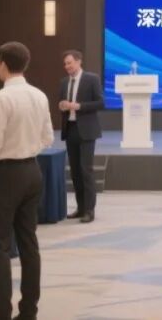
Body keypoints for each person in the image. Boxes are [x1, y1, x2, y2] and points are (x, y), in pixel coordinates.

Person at [0, 42, 53, 320]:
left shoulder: (0, 98)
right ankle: (29, 311)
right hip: (33, 170)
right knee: (28, 242)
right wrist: (26, 146)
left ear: (2, 64)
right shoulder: (39, 95)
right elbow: (48, 138)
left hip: (7, 174)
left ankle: (1, 313)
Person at [59, 50, 104, 224]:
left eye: (69, 63)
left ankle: (89, 211)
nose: (67, 66)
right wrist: (63, 105)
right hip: (70, 129)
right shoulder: (64, 82)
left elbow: (100, 103)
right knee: (75, 172)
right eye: (65, 64)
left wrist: (79, 106)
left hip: (86, 130)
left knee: (86, 170)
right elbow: (63, 102)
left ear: (79, 62)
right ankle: (80, 208)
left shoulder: (92, 79)